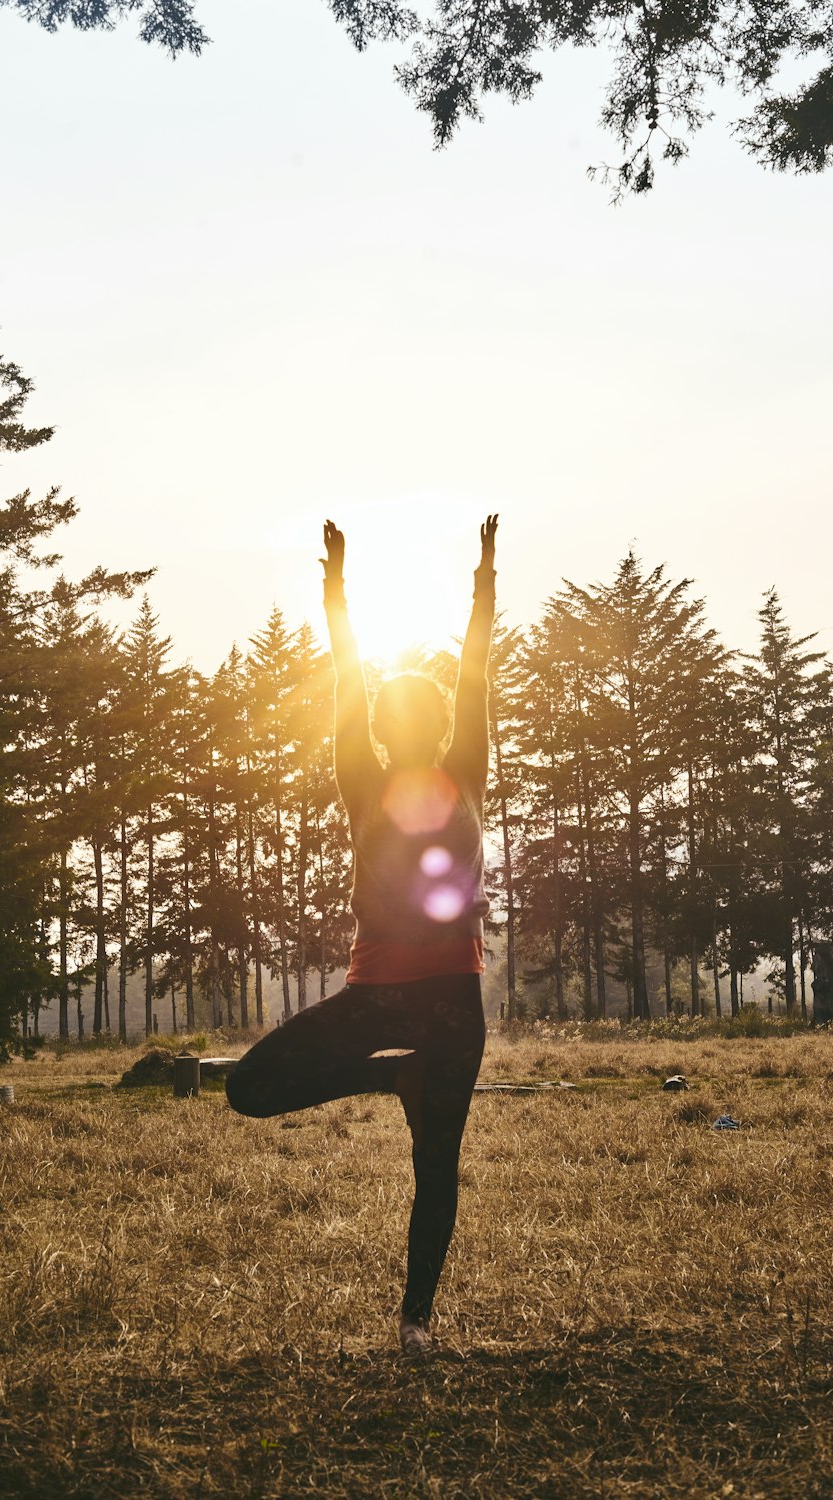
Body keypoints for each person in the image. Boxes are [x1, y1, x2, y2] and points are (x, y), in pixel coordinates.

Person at [226, 514, 498, 1355]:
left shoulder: (381, 775)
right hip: (440, 1004)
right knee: (435, 1170)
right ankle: (415, 1324)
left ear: (385, 726)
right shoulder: (445, 773)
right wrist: (483, 579)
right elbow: (473, 678)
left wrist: (336, 590)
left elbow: (366, 679)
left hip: (388, 1002)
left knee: (250, 1089)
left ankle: (392, 1086)